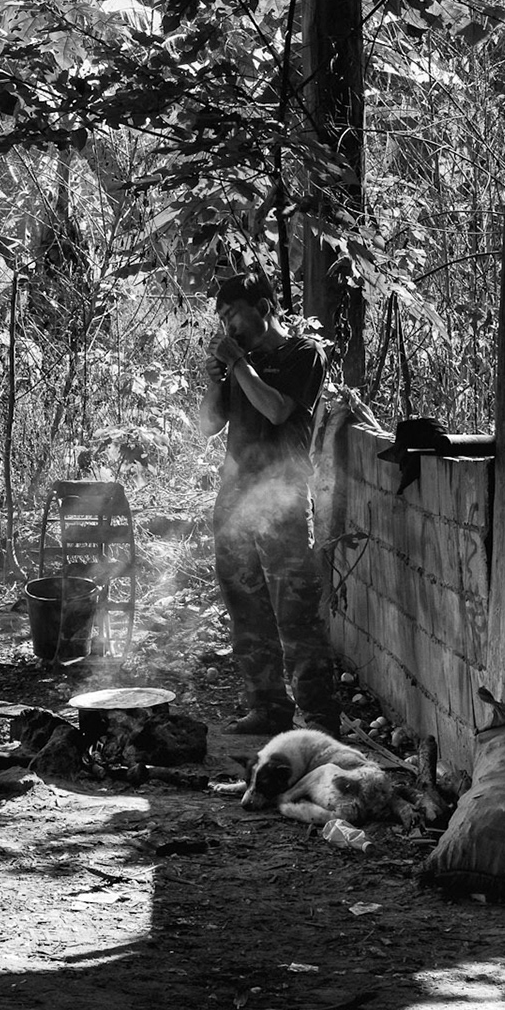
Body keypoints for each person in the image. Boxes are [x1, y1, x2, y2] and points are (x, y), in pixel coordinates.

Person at [198, 273, 338, 735]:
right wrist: (216, 380)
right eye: (221, 318)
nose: (227, 326)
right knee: (247, 609)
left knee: (296, 614)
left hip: (282, 498)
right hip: (236, 498)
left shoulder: (304, 353)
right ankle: (267, 708)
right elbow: (209, 427)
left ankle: (318, 720)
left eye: (232, 314)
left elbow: (278, 410)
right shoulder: (242, 364)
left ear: (262, 307)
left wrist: (239, 365)